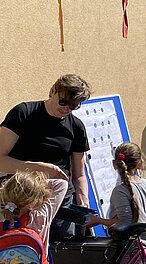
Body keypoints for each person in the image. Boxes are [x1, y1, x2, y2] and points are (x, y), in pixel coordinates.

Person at [0, 74, 92, 241]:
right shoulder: (23, 113)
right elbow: (0, 160)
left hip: (58, 199)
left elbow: (79, 174)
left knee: (59, 251)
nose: (66, 109)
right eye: (63, 102)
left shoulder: (76, 127)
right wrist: (41, 168)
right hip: (21, 197)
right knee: (17, 250)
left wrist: (83, 199)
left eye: (73, 106)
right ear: (52, 91)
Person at [86, 143, 146, 252]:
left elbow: (124, 224)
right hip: (144, 243)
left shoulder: (119, 191)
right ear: (139, 164)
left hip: (128, 247)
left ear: (114, 164)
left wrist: (98, 220)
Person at [0, 171, 68, 252]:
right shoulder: (39, 217)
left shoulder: (2, 217)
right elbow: (61, 183)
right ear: (32, 201)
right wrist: (36, 183)